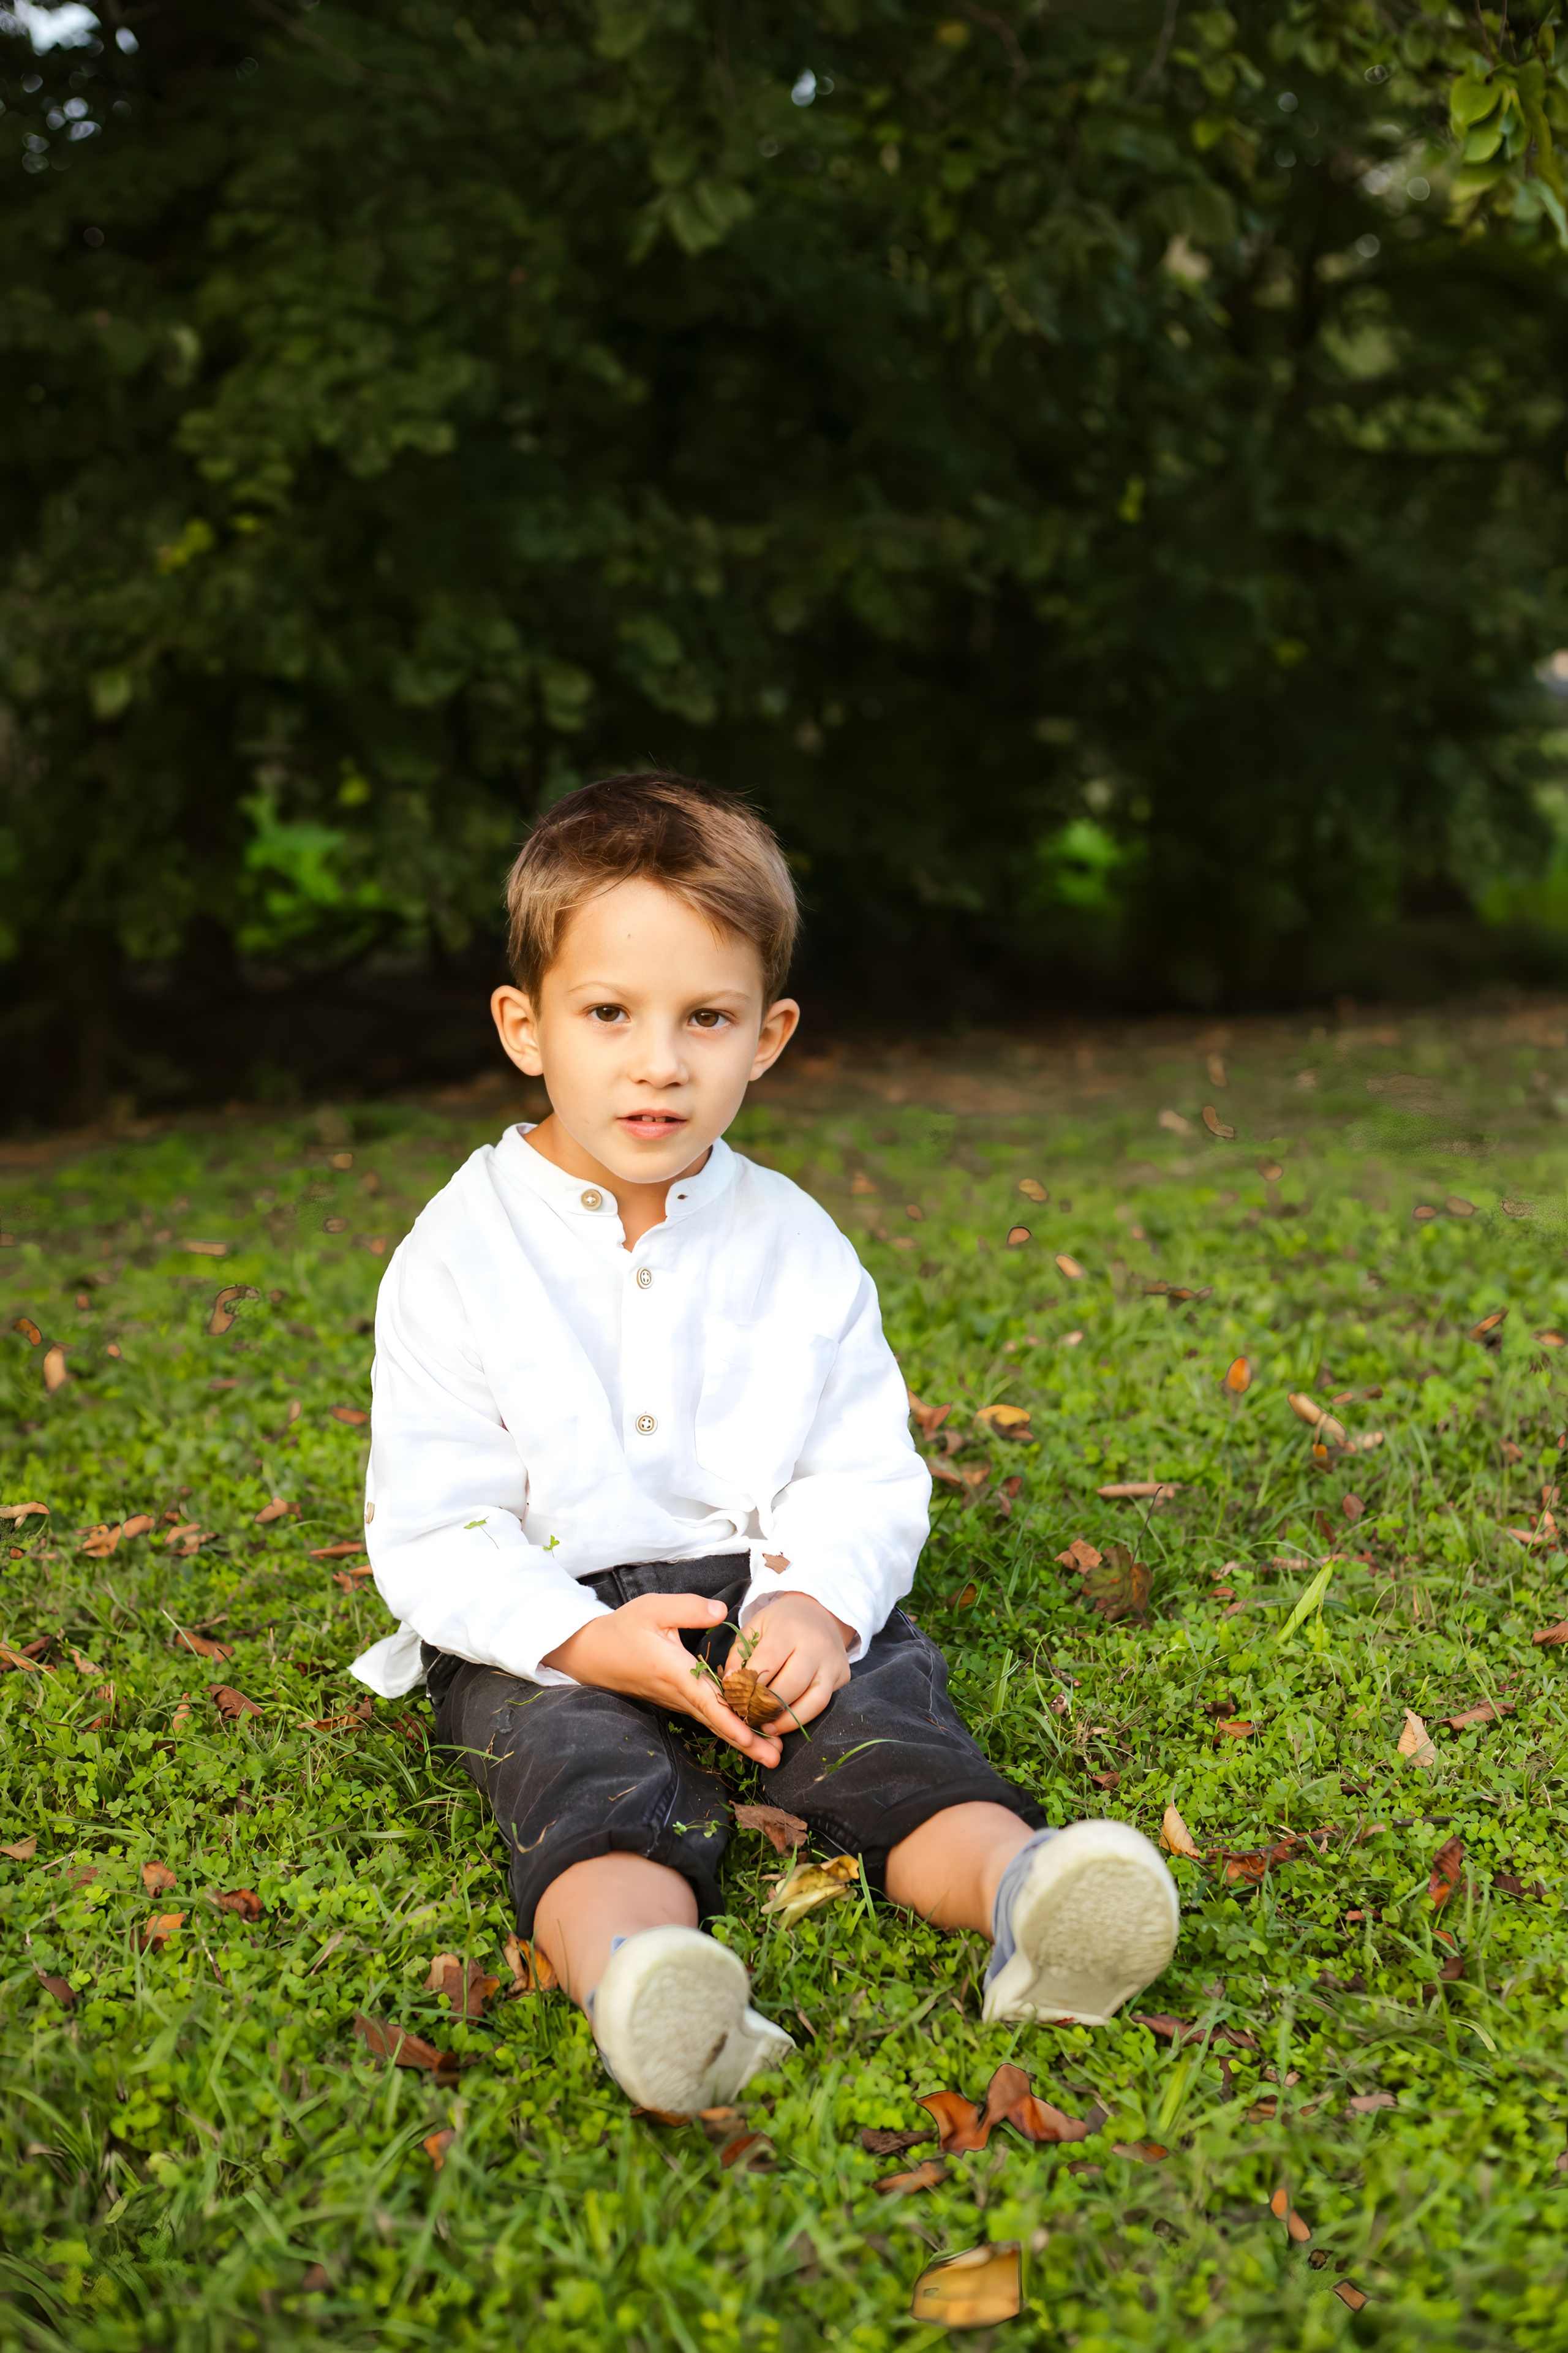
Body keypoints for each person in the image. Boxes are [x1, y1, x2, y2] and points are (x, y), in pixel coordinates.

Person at [351, 772, 1178, 2117]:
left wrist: (814, 1596)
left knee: (882, 1725)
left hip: (755, 1578)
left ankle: (1026, 1891)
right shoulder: (455, 1252)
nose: (658, 1061)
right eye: (608, 1013)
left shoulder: (792, 1239)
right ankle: (645, 1973)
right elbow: (436, 1530)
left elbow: (859, 1466)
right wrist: (576, 1638)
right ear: (525, 1025)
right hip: (543, 1617)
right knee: (578, 1776)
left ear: (768, 1034)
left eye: (706, 1018)